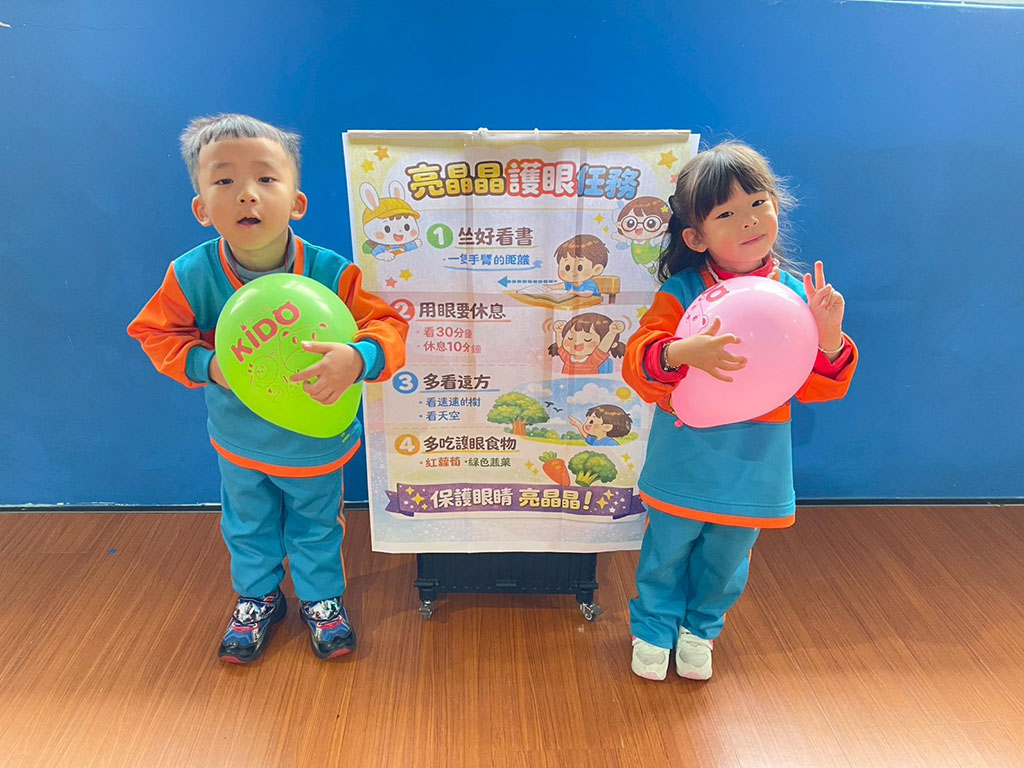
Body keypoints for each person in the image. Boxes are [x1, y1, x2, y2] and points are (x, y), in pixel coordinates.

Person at [127, 114, 408, 663]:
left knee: (316, 525)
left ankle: (321, 599)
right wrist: (208, 364)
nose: (247, 194)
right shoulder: (190, 275)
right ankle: (258, 598)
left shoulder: (330, 272)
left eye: (265, 178)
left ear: (297, 202)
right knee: (247, 524)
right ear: (201, 208)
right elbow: (155, 333)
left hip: (315, 444)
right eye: (224, 180)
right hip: (240, 441)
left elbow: (388, 327)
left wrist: (358, 358)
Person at [622, 141, 857, 681]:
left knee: (728, 554)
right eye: (726, 214)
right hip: (685, 452)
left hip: (755, 457)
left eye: (757, 204)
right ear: (696, 237)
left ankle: (701, 627)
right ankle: (653, 627)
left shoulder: (797, 294)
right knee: (666, 547)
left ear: (776, 205)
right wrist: (680, 352)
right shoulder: (682, 290)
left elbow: (819, 388)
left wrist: (829, 337)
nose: (748, 221)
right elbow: (638, 362)